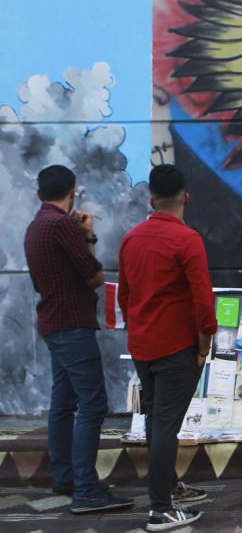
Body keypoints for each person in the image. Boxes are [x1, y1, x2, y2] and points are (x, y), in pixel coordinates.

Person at [24, 165, 133, 515]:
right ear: (72, 192)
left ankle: (66, 477)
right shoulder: (62, 226)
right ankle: (86, 489)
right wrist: (87, 235)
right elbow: (95, 276)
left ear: (40, 194)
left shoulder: (36, 226)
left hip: (53, 323)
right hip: (73, 326)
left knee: (63, 402)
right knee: (92, 404)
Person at [118, 164, 217, 531]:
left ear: (150, 200)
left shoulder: (131, 238)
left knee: (157, 422)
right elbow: (204, 304)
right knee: (164, 427)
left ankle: (170, 487)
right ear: (186, 198)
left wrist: (139, 332)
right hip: (178, 349)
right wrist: (204, 347)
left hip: (144, 347)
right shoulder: (187, 240)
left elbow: (125, 297)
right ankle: (160, 509)